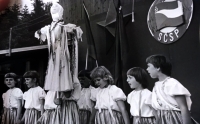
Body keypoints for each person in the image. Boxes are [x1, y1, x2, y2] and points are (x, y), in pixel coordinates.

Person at [34, 2, 83, 93]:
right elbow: (38, 33)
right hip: (54, 53)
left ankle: (64, 87)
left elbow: (76, 30)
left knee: (62, 66)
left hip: (61, 52)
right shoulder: (50, 28)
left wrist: (74, 30)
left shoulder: (63, 27)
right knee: (56, 66)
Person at [146, 54, 192, 124]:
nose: (147, 69)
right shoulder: (156, 85)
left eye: (149, 66)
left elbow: (183, 107)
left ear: (158, 67)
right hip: (162, 119)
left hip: (173, 119)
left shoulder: (172, 83)